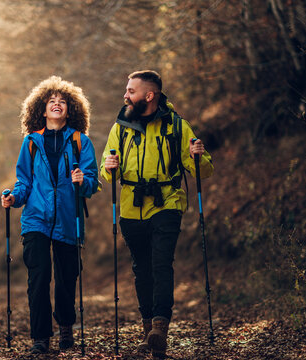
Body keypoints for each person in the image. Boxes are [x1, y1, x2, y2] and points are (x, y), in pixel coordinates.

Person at [100, 70, 214, 358]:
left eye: (131, 91)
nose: (125, 95)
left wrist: (199, 156)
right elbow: (106, 172)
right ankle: (148, 329)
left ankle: (160, 329)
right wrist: (109, 166)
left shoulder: (177, 126)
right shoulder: (121, 127)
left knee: (162, 263)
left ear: (149, 96)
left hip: (167, 204)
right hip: (131, 208)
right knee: (142, 270)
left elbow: (204, 170)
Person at [1, 76, 99, 354]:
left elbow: (93, 182)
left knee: (68, 277)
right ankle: (40, 338)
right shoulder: (31, 143)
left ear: (71, 109)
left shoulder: (81, 142)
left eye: (63, 101)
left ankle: (66, 326)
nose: (57, 104)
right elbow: (24, 183)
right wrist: (13, 198)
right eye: (51, 101)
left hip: (69, 218)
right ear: (42, 110)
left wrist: (83, 180)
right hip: (36, 219)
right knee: (39, 278)